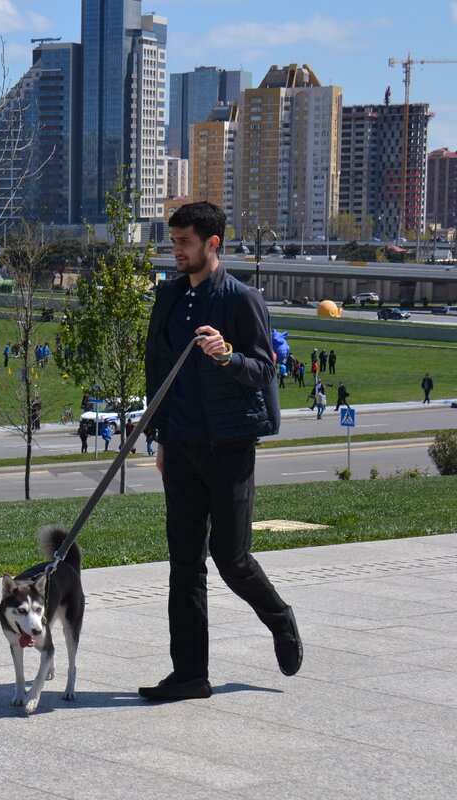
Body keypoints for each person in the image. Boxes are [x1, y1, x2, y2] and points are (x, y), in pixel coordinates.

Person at [140, 201, 300, 702]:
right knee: (184, 563)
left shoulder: (241, 299)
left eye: (184, 242)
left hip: (228, 449)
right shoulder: (167, 297)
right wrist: (161, 436)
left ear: (212, 244)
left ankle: (279, 617)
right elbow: (157, 373)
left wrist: (228, 356)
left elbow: (263, 371)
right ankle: (190, 674)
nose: (176, 251)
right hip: (181, 448)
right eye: (173, 242)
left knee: (230, 559)